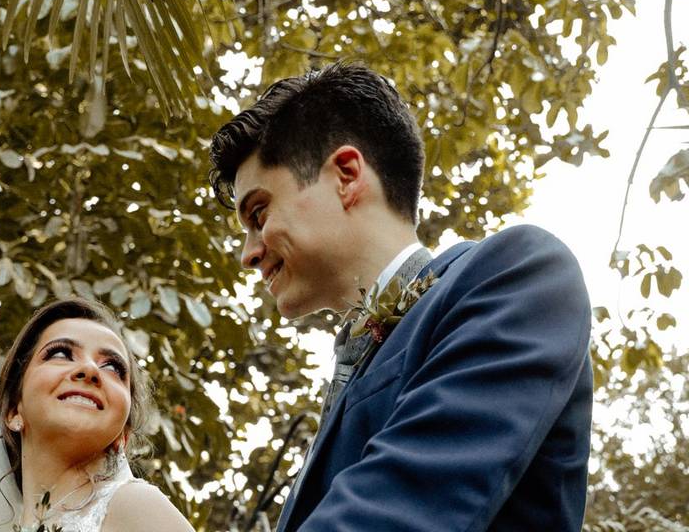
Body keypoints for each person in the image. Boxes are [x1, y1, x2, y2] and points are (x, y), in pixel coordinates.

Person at [207, 62, 593, 531]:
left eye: (259, 212)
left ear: (347, 176)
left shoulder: (518, 273)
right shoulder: (351, 359)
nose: (249, 254)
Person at [0, 298, 194, 532]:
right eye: (61, 353)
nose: (90, 369)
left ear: (123, 436)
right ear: (12, 412)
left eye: (113, 367)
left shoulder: (134, 505)